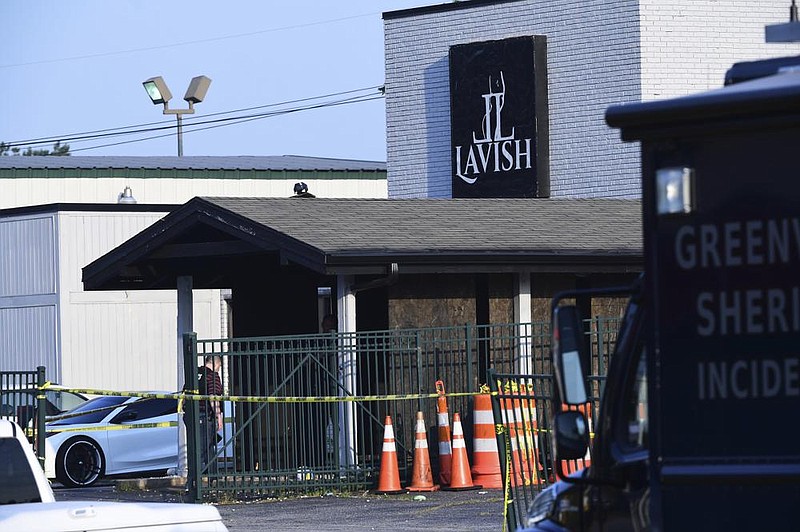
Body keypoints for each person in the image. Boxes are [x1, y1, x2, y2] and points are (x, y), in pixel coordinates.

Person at [197, 355, 223, 474]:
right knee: (204, 448)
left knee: (205, 446)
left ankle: (212, 476)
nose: (219, 368)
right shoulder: (212, 376)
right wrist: (219, 416)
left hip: (191, 415)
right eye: (219, 366)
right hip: (204, 415)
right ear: (216, 364)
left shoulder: (194, 373)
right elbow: (213, 397)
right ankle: (196, 478)